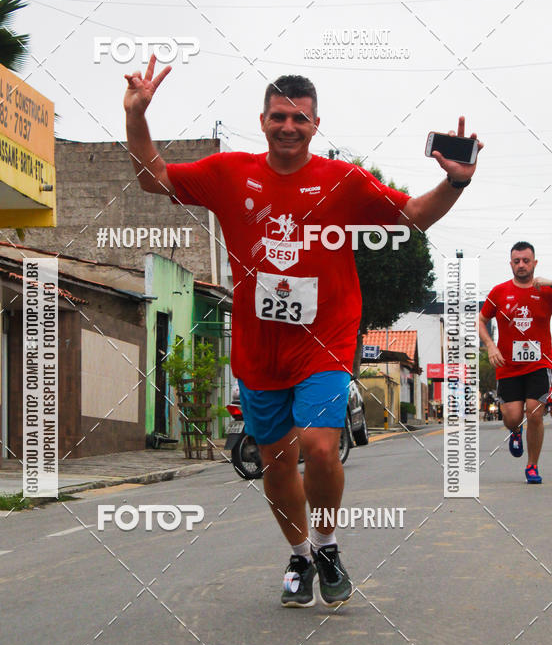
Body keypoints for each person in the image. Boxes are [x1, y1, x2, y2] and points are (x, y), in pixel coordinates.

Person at [124, 57, 482, 607]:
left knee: (318, 445)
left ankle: (327, 544)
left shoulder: (341, 181)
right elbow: (154, 178)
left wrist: (454, 183)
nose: (288, 127)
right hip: (260, 348)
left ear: (315, 125)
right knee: (275, 462)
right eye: (277, 117)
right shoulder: (228, 173)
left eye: (299, 118)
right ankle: (298, 555)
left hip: (326, 340)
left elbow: (410, 216)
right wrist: (137, 115)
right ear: (262, 121)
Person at [479, 242, 552, 484]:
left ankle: (532, 466)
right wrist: (490, 345)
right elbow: (481, 319)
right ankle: (515, 430)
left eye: (526, 260)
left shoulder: (546, 291)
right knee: (511, 416)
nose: (521, 265)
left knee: (534, 412)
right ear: (511, 263)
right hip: (507, 365)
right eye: (517, 261)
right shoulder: (499, 292)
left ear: (534, 263)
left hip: (539, 363)